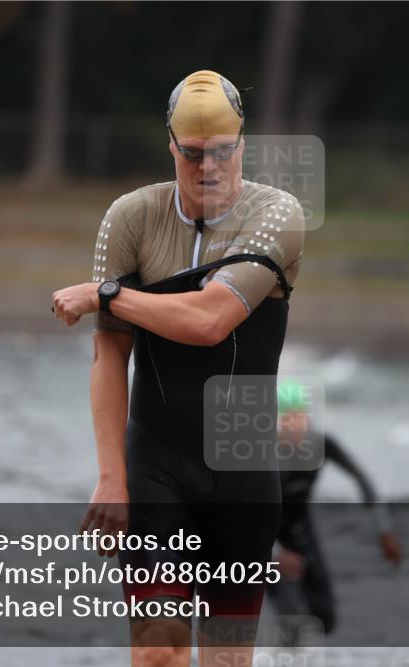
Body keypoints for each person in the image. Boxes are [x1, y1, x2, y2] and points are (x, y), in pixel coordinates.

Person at [52, 70, 304, 667]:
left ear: (242, 144)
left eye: (222, 151)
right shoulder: (131, 217)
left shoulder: (277, 214)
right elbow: (109, 354)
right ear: (171, 146)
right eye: (193, 154)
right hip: (156, 461)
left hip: (242, 468)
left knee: (224, 661)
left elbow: (210, 321)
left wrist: (106, 294)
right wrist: (111, 475)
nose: (209, 167)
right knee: (158, 654)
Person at [270, 379, 402, 644]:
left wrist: (384, 530)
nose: (295, 426)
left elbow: (361, 478)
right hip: (267, 539)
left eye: (299, 418)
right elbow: (244, 516)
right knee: (292, 624)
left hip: (302, 530)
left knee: (325, 618)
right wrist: (276, 554)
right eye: (287, 419)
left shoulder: (321, 444)